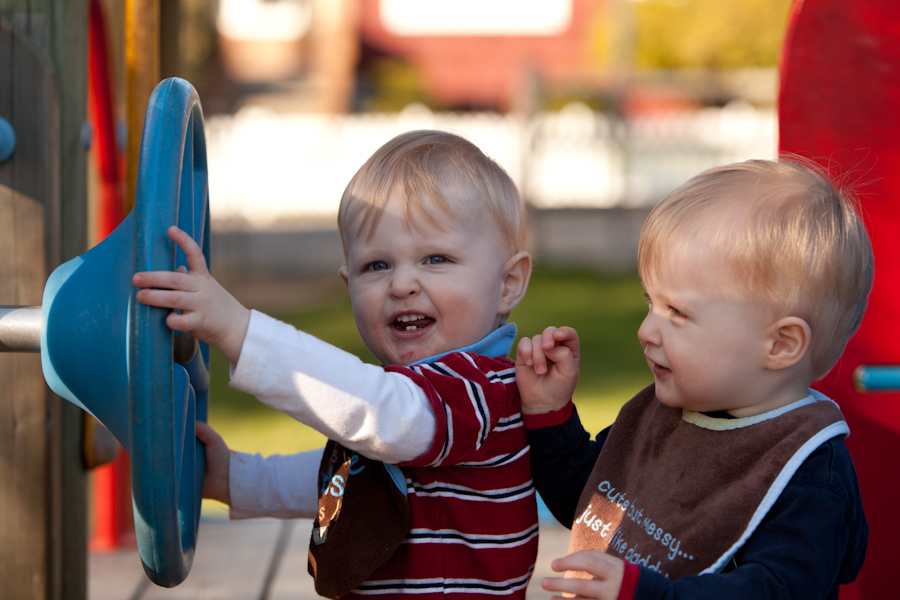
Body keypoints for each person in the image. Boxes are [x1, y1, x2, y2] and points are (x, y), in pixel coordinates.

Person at [133, 130, 539, 598]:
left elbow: (384, 419)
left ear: (508, 283)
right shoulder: (417, 394)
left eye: (436, 258)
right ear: (348, 284)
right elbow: (351, 474)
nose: (402, 283)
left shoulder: (480, 389)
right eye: (376, 266)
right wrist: (242, 480)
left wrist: (239, 330)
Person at [514, 158, 872, 599]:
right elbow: (592, 507)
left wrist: (652, 595)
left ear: (780, 344)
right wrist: (549, 415)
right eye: (651, 303)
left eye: (678, 312)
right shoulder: (666, 416)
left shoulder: (807, 474)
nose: (646, 331)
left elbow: (776, 590)